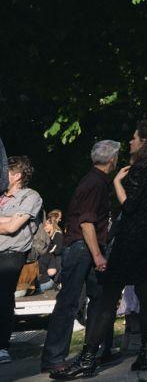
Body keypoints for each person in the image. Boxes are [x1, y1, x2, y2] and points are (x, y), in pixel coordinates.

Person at [54, 120, 147, 378]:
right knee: (145, 295)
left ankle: (87, 358)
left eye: (134, 137)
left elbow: (129, 207)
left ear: (144, 141)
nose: (130, 142)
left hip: (133, 237)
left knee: (109, 297)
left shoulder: (140, 169)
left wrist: (119, 181)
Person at [41, 141, 119, 372]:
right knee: (70, 302)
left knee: (98, 299)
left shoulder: (95, 181)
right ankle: (54, 358)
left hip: (84, 247)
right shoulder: (95, 183)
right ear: (113, 160)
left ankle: (94, 350)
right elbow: (86, 223)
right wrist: (97, 255)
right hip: (82, 247)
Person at [0, 156, 42, 364]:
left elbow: (12, 227)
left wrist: (10, 222)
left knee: (2, 297)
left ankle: (2, 347)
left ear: (17, 175)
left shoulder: (30, 196)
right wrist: (8, 220)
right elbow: (8, 223)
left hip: (11, 254)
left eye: (4, 171)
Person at [34, 209, 64, 294]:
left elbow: (57, 249)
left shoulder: (57, 234)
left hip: (56, 262)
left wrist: (49, 253)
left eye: (46, 225)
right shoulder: (49, 235)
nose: (44, 227)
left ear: (52, 224)